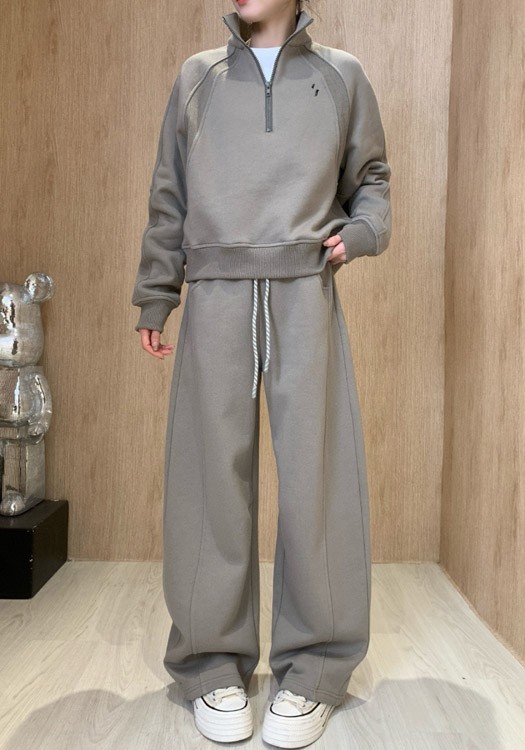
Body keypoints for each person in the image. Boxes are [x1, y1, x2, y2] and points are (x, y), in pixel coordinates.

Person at [131, 0, 391, 746]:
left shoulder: (341, 77)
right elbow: (169, 195)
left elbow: (372, 179)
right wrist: (156, 293)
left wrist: (362, 232)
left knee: (317, 481)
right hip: (214, 293)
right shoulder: (197, 77)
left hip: (305, 290)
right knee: (209, 480)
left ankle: (314, 671)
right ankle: (211, 666)